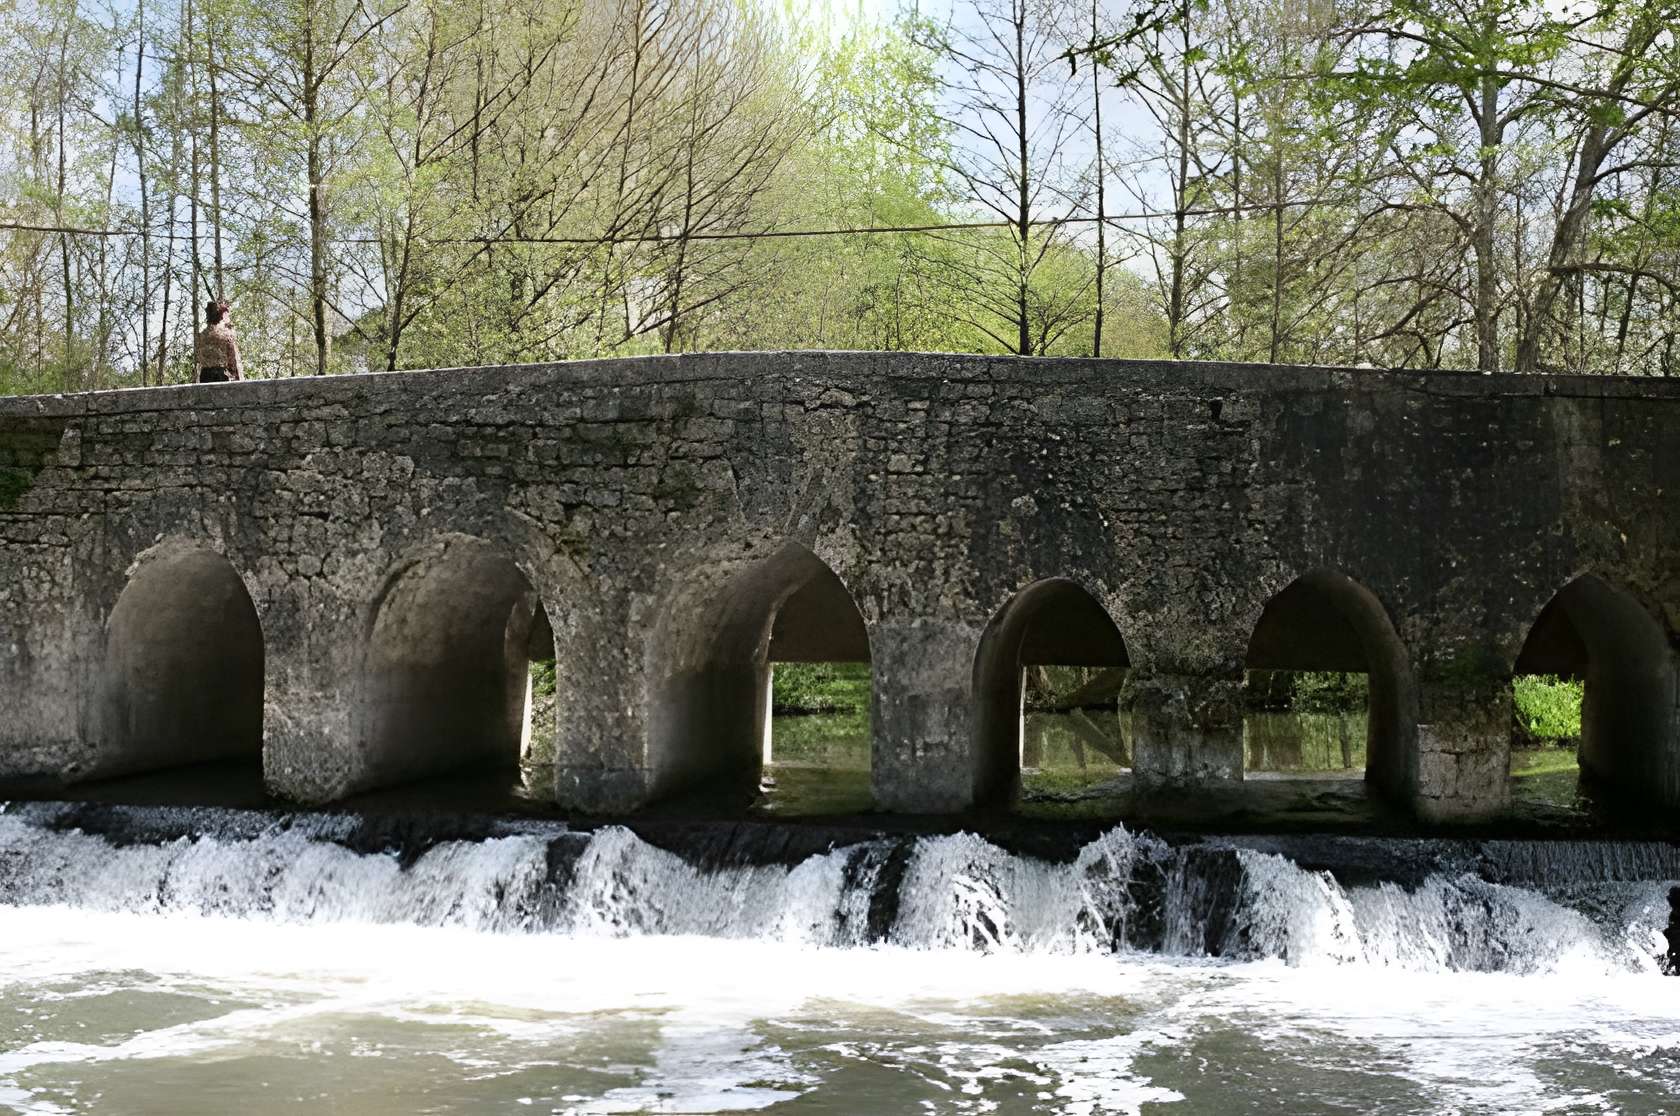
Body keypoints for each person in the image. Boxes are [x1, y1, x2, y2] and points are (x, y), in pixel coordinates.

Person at [194, 299, 242, 384]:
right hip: (220, 375)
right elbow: (232, 360)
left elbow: (199, 359)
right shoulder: (225, 334)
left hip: (205, 375)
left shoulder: (201, 336)